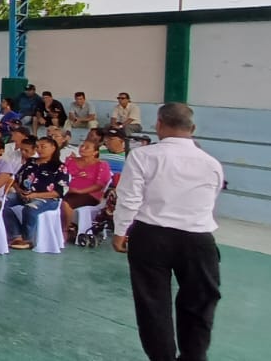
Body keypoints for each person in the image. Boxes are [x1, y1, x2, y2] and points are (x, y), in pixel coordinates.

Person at [113, 104, 223, 361]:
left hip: (151, 235)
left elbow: (129, 197)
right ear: (192, 128)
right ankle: (194, 356)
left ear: (159, 124)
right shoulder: (211, 163)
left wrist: (121, 230)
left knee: (152, 303)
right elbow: (211, 198)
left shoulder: (142, 156)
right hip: (198, 238)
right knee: (200, 301)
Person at [3, 136, 69, 250]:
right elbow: (15, 179)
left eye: (43, 147)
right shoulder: (30, 162)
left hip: (47, 198)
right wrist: (19, 190)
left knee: (30, 209)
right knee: (0, 203)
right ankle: (16, 235)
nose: (39, 149)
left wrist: (34, 195)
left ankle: (27, 239)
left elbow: (59, 192)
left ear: (53, 148)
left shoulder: (59, 167)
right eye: (37, 147)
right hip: (23, 194)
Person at [61, 139, 112, 241]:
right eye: (82, 146)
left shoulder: (101, 165)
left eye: (87, 147)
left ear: (95, 152)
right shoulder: (70, 160)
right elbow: (62, 175)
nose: (82, 148)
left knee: (65, 203)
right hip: (67, 190)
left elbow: (99, 185)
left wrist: (79, 191)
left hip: (89, 195)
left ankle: (65, 229)